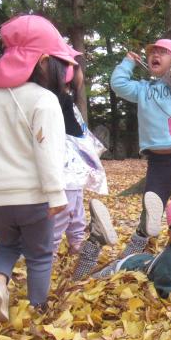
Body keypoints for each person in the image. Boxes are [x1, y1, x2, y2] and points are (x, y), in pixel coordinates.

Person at [0, 14, 80, 321]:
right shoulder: (43, 100)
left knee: (7, 244)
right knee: (39, 254)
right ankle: (38, 308)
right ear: (44, 61)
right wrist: (56, 195)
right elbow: (48, 152)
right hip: (34, 196)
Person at [111, 33, 171, 258]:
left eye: (162, 52)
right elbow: (118, 85)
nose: (155, 54)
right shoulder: (143, 89)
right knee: (151, 207)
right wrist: (127, 62)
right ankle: (139, 250)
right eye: (152, 52)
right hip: (158, 162)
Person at [52, 54, 110, 257]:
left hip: (69, 166)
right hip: (65, 165)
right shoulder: (60, 99)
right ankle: (52, 248)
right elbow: (75, 130)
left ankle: (76, 242)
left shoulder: (59, 98)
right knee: (68, 205)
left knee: (74, 203)